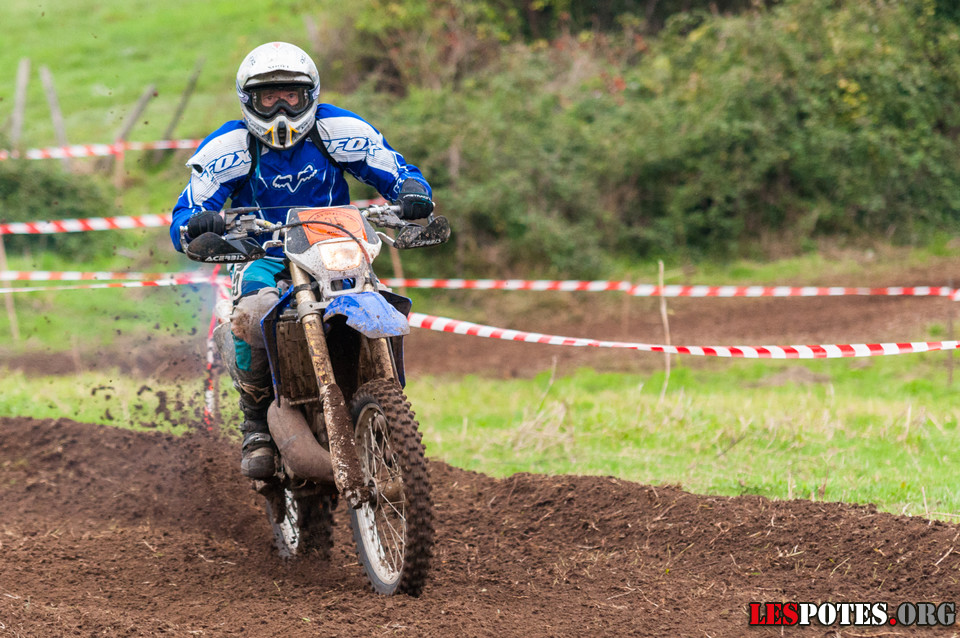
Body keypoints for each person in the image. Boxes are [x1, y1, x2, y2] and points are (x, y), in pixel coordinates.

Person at [170, 42, 434, 479]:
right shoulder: (230, 145)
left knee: (382, 299)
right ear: (249, 100)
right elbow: (188, 209)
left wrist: (411, 192)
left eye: (290, 95)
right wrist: (197, 222)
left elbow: (393, 168)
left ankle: (386, 400)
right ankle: (256, 420)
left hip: (335, 245)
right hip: (262, 252)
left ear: (310, 95)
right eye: (268, 97)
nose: (280, 108)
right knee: (252, 314)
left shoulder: (338, 128)